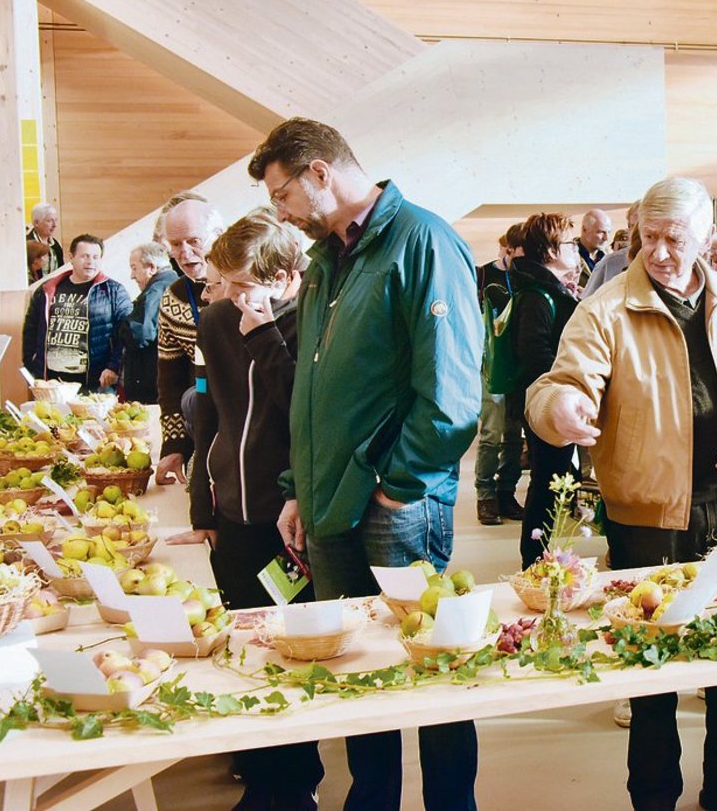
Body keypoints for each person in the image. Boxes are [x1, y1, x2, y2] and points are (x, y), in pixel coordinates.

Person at [526, 176, 717, 811]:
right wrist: (560, 406)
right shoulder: (606, 309)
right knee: (653, 664)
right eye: (650, 237)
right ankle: (654, 795)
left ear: (705, 240)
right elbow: (558, 383)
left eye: (675, 239)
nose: (661, 252)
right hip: (648, 517)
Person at [257, 117, 482, 811]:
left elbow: (451, 393)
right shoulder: (327, 258)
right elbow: (317, 390)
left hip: (396, 508)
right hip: (330, 503)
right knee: (355, 674)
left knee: (433, 672)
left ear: (320, 172)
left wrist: (399, 488)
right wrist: (300, 487)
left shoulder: (423, 241)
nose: (281, 215)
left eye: (282, 196)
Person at [165, 212, 324, 809]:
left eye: (238, 285)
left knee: (287, 646)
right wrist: (201, 503)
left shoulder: (309, 320)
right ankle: (262, 771)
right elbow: (208, 408)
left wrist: (265, 337)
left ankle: (294, 783)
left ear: (283, 276)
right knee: (241, 642)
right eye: (220, 283)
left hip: (284, 513)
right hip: (231, 509)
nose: (225, 296)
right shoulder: (214, 319)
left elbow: (303, 416)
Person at [511, 214, 583, 566]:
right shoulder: (538, 294)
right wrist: (561, 388)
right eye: (570, 244)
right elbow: (534, 352)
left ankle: (539, 556)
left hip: (551, 397)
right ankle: (534, 560)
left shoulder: (546, 288)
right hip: (546, 402)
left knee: (551, 478)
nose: (576, 249)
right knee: (546, 481)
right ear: (551, 250)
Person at [155, 194, 225, 485]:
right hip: (201, 421)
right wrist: (174, 446)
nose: (184, 253)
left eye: (194, 241)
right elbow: (169, 378)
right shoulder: (173, 297)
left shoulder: (246, 285)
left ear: (219, 235)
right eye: (175, 244)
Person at [22, 234, 132, 393]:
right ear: (71, 257)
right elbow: (30, 330)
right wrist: (31, 366)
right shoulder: (47, 289)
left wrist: (114, 367)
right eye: (85, 256)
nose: (90, 262)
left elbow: (126, 333)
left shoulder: (114, 291)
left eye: (96, 257)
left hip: (96, 385)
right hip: (51, 384)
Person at [475, 224, 527, 525]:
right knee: (491, 434)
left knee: (513, 435)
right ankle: (485, 495)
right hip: (491, 365)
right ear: (505, 249)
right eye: (515, 255)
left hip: (517, 366)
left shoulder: (524, 277)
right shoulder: (483, 275)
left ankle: (506, 492)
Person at [118, 242, 175, 404]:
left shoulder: (155, 292)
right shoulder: (175, 284)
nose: (131, 275)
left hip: (150, 383)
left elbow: (140, 335)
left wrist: (121, 327)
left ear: (151, 267)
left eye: (134, 268)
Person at [584, 201, 640, 297]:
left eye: (642, 226)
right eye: (632, 226)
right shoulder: (610, 264)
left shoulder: (667, 265)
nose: (636, 233)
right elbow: (585, 306)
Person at [26, 202, 64, 283]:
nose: (54, 225)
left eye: (56, 220)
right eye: (49, 220)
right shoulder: (27, 245)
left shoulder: (55, 244)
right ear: (36, 223)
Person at [576, 208, 612, 288]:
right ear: (584, 229)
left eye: (609, 232)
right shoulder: (568, 257)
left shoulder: (610, 257)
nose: (606, 238)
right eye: (601, 232)